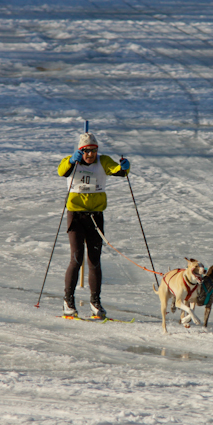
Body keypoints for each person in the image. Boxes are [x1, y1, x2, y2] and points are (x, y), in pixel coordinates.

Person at [57, 131, 130, 318]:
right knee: (76, 257)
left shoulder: (102, 161)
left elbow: (117, 171)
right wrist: (72, 161)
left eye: (93, 151)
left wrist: (124, 167)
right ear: (80, 151)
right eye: (86, 151)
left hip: (95, 217)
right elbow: (61, 171)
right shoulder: (72, 162)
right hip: (76, 216)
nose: (90, 155)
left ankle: (95, 303)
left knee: (94, 260)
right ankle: (68, 301)